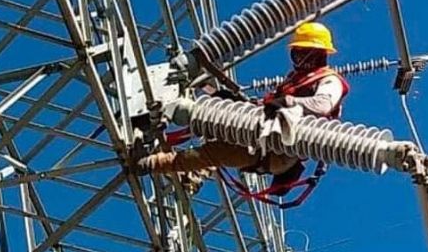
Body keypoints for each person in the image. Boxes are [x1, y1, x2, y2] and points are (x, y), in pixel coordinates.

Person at [134, 22, 349, 201]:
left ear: (317, 53)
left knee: (214, 152)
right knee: (219, 122)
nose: (298, 58)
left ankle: (149, 164)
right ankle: (190, 175)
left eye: (302, 53)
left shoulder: (329, 80)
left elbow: (322, 105)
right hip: (260, 135)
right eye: (296, 53)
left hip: (278, 149)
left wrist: (288, 102)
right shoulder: (295, 79)